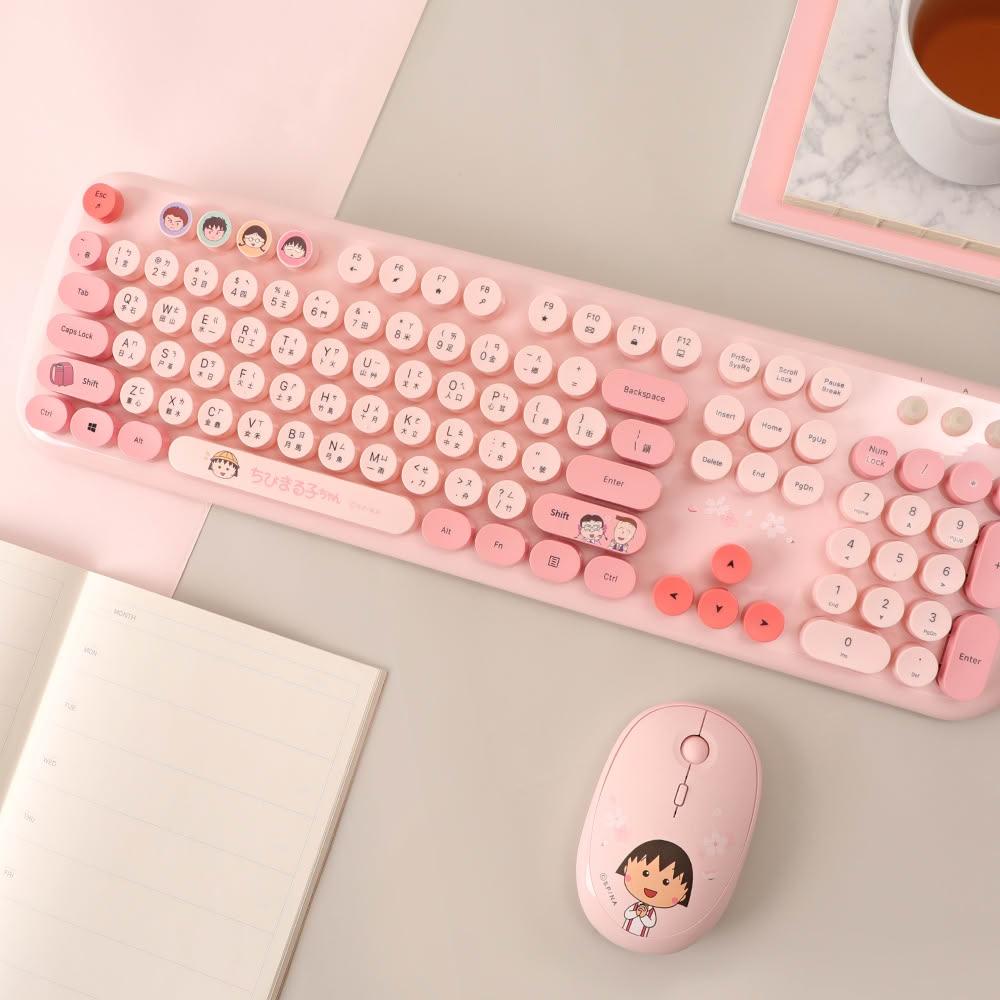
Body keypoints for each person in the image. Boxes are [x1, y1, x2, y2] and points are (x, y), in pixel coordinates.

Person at [617, 840, 693, 937]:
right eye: (645, 873)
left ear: (683, 896)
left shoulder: (651, 912)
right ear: (626, 868)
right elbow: (627, 915)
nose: (652, 886)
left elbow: (650, 923)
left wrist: (643, 916)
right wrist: (636, 913)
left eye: (666, 882)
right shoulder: (635, 906)